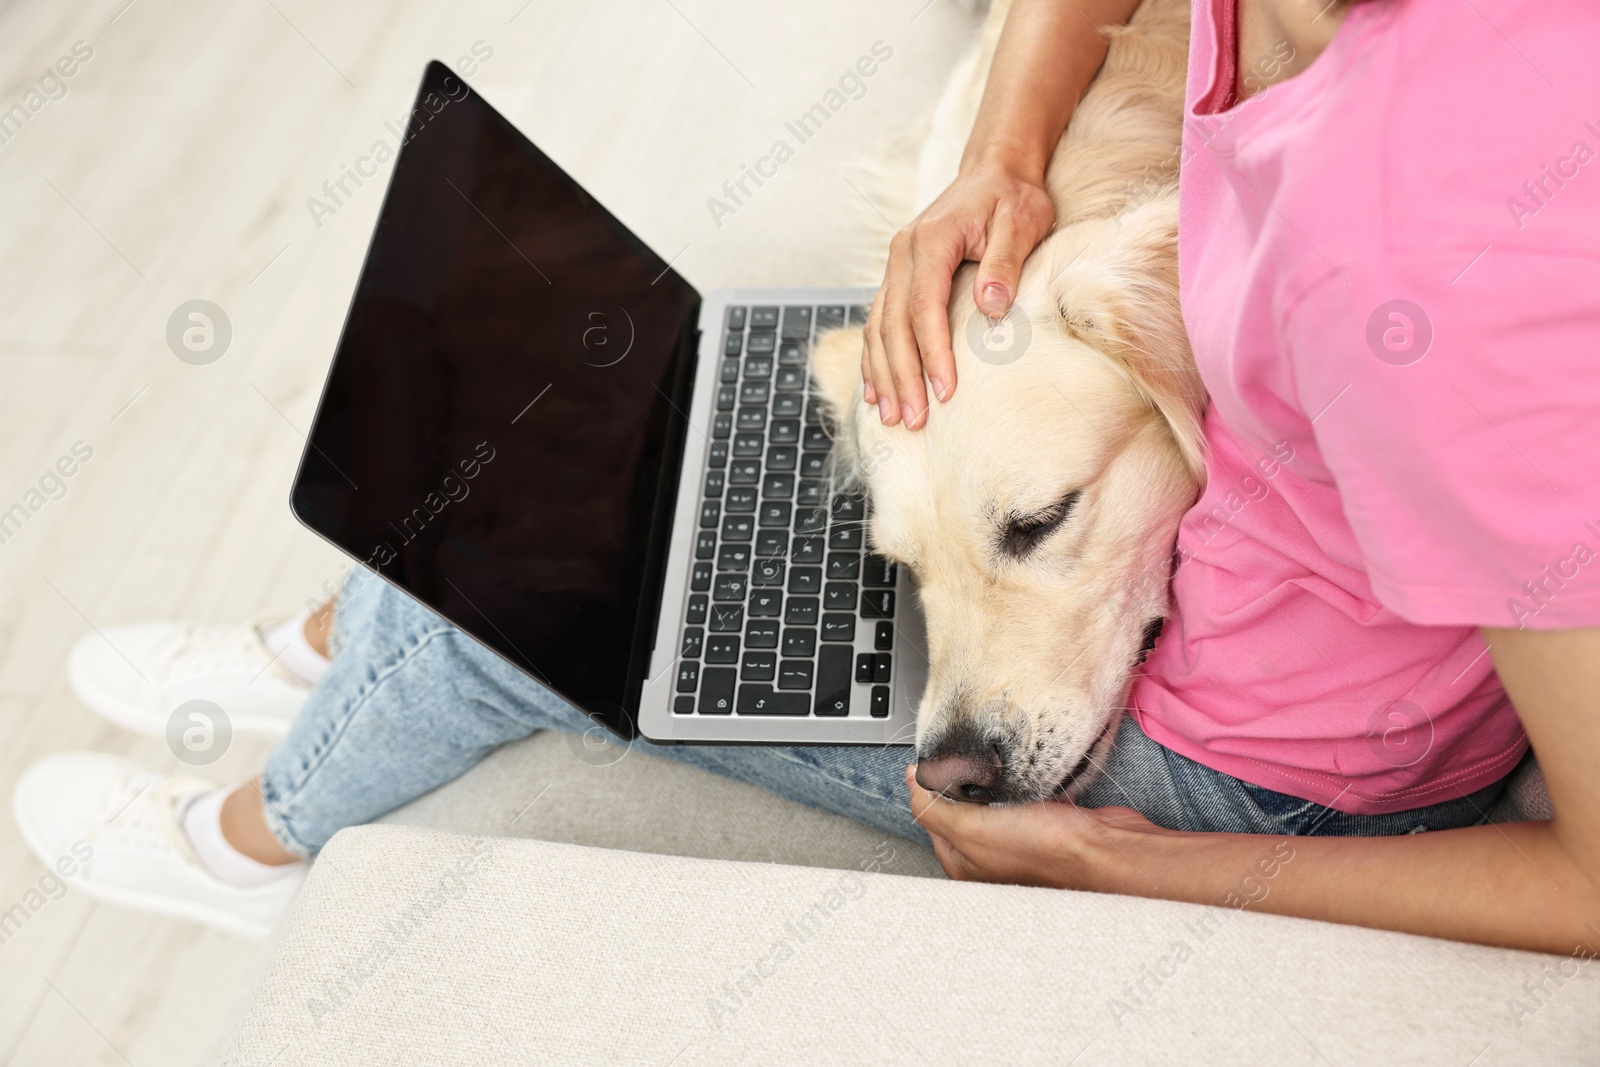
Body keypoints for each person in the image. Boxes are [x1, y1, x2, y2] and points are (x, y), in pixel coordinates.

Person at [15, 0, 1598, 954]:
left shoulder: (1418, 257)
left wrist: (1141, 863)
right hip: (1247, 610)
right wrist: (1006, 151)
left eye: (1039, 520)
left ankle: (255, 847)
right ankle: (325, 649)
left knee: (521, 589)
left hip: (1266, 777)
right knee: (623, 395)